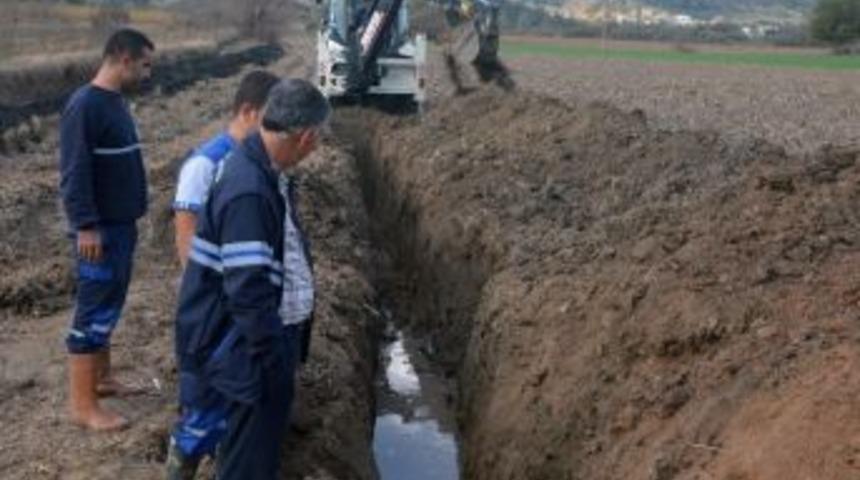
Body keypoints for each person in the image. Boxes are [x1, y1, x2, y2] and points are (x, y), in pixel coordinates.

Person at [167, 79, 329, 480]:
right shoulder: (250, 190)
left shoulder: (263, 173)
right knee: (248, 464)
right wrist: (274, 359)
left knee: (249, 450)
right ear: (306, 136)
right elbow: (249, 293)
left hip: (247, 347)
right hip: (246, 352)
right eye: (319, 138)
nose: (318, 146)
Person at [59, 28, 154, 432]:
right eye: (145, 65)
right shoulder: (85, 106)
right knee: (94, 307)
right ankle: (83, 405)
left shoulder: (116, 103)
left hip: (121, 225)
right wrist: (85, 225)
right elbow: (74, 172)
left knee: (111, 301)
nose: (148, 74)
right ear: (123, 58)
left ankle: (102, 377)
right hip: (99, 231)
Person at [173, 70, 280, 267]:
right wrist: (197, 288)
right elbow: (186, 229)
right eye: (272, 119)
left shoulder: (262, 161)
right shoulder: (204, 165)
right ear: (248, 112)